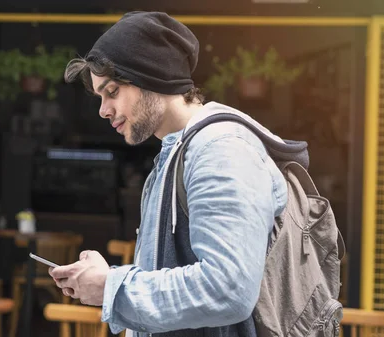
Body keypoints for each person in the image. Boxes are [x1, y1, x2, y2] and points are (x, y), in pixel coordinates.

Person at [49, 11, 293, 337]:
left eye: (112, 91)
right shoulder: (178, 152)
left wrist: (113, 287)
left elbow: (227, 289)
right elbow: (177, 275)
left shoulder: (221, 152)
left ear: (152, 77)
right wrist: (106, 277)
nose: (103, 110)